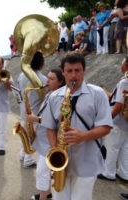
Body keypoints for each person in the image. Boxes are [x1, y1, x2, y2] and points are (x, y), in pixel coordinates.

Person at [42, 53, 113, 200]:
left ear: (84, 70)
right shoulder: (54, 97)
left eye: (77, 70)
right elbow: (49, 127)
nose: (74, 75)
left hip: (86, 161)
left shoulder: (98, 94)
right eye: (69, 71)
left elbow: (106, 127)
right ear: (63, 72)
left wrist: (83, 136)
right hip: (61, 163)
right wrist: (56, 151)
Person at [27, 68, 65, 200]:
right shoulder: (50, 94)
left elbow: (58, 122)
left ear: (60, 82)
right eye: (47, 77)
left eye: (51, 79)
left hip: (50, 141)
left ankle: (43, 196)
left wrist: (35, 119)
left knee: (41, 172)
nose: (47, 81)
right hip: (43, 139)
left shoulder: (60, 98)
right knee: (44, 172)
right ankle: (46, 192)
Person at [98, 57, 128, 183]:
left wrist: (108, 119)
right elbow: (114, 97)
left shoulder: (124, 82)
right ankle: (124, 173)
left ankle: (108, 172)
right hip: (126, 123)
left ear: (126, 65)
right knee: (125, 148)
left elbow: (119, 105)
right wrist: (104, 90)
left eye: (122, 63)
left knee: (112, 147)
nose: (121, 65)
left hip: (118, 122)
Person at [17, 52, 46, 167]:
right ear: (41, 64)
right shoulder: (43, 79)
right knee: (32, 137)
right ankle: (28, 159)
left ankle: (23, 155)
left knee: (25, 134)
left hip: (23, 109)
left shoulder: (21, 75)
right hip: (35, 112)